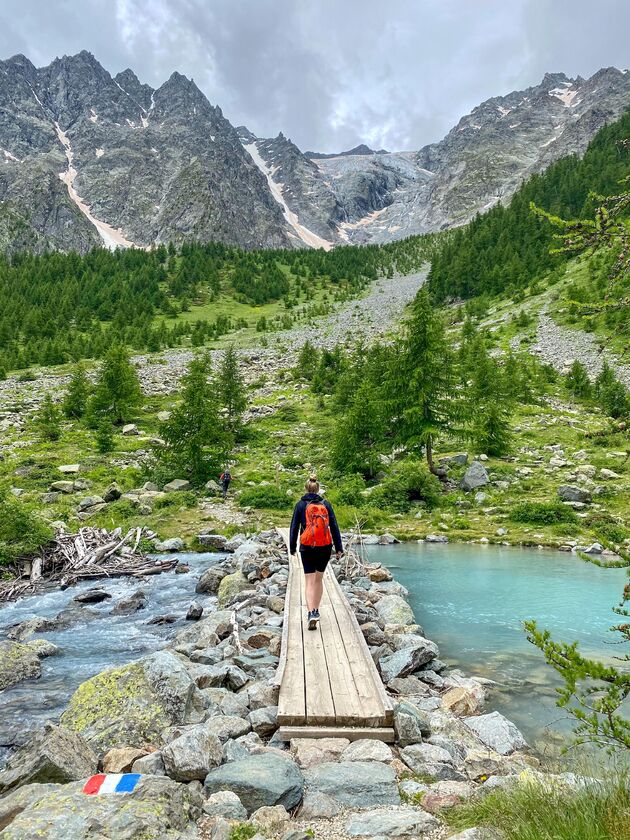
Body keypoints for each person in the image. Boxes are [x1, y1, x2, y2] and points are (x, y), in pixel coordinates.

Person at [289, 474, 343, 630]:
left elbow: (293, 528)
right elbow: (334, 526)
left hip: (307, 547)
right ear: (318, 489)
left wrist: (292, 547)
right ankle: (317, 610)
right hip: (325, 546)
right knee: (319, 579)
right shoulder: (326, 504)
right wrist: (339, 548)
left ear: (305, 488)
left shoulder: (300, 505)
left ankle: (311, 612)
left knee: (309, 581)